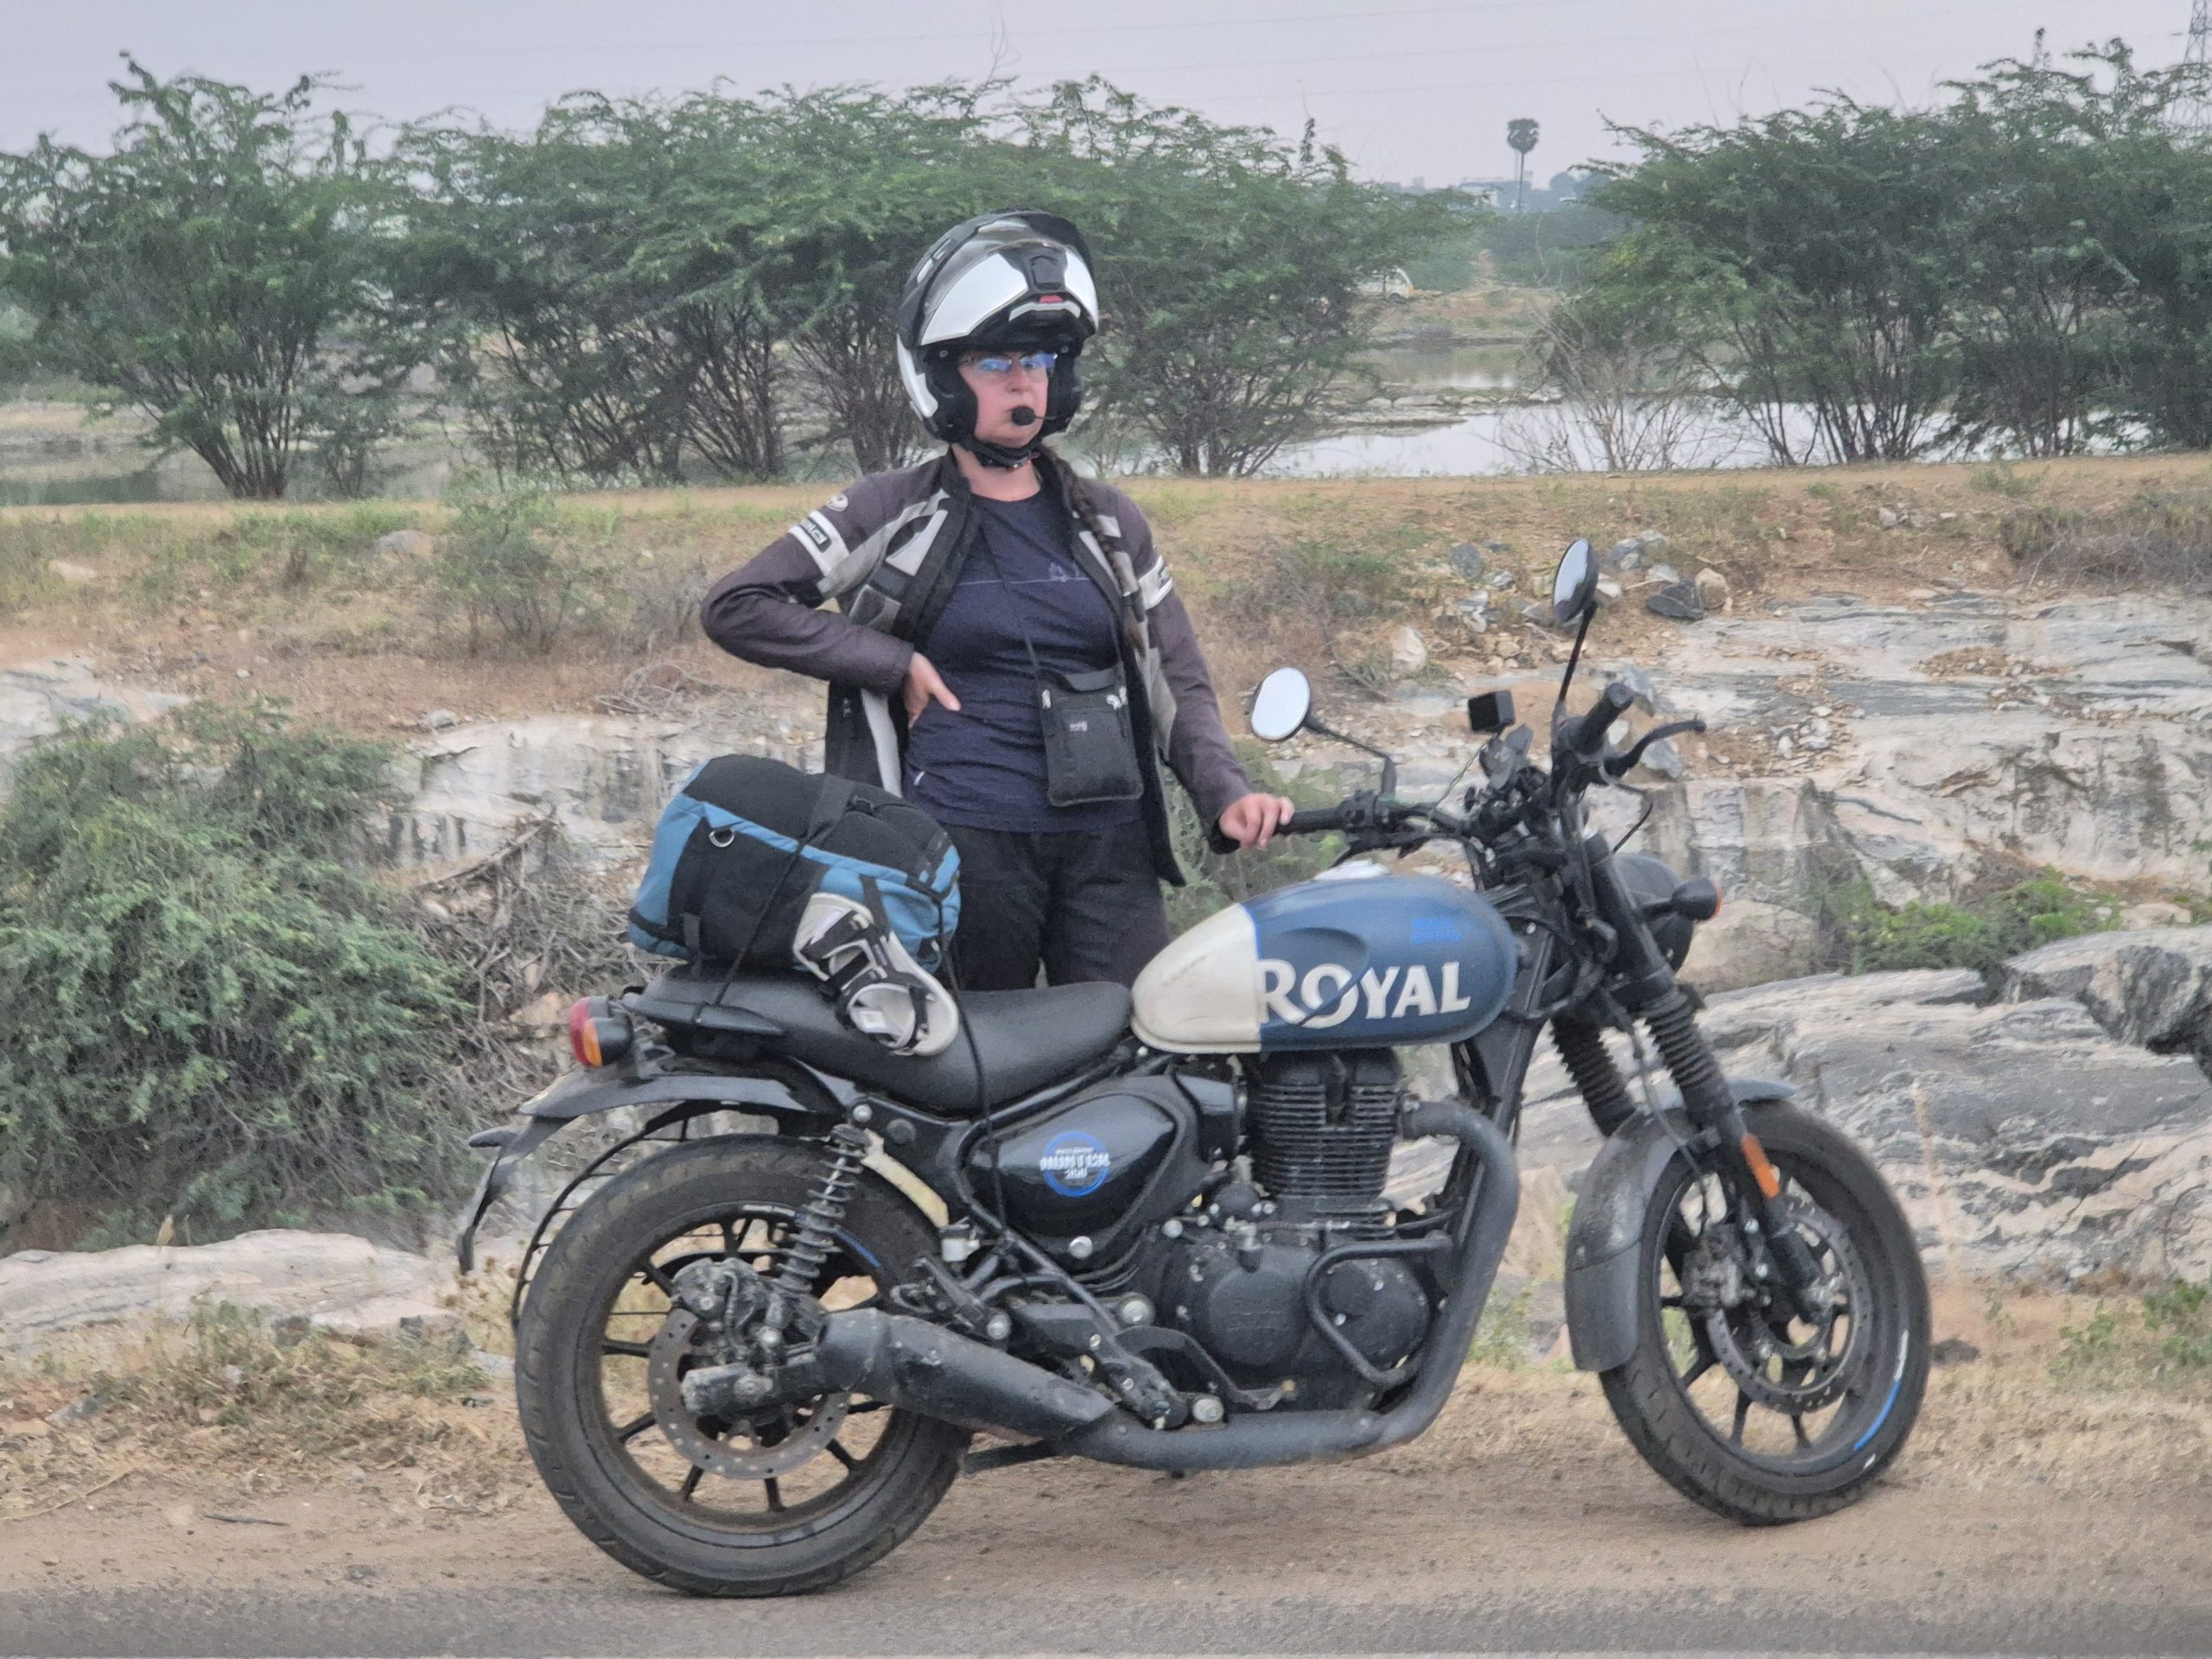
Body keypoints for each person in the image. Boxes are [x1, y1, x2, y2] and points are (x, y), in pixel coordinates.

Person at [701, 209, 1292, 992]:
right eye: (994, 361)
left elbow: (1175, 676)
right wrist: (891, 661)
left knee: (1141, 1040)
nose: (1023, 380)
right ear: (944, 379)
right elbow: (738, 605)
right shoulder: (891, 511)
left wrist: (1226, 793)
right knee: (977, 1052)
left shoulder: (1110, 521)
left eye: (1041, 360)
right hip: (964, 843)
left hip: (1110, 843)